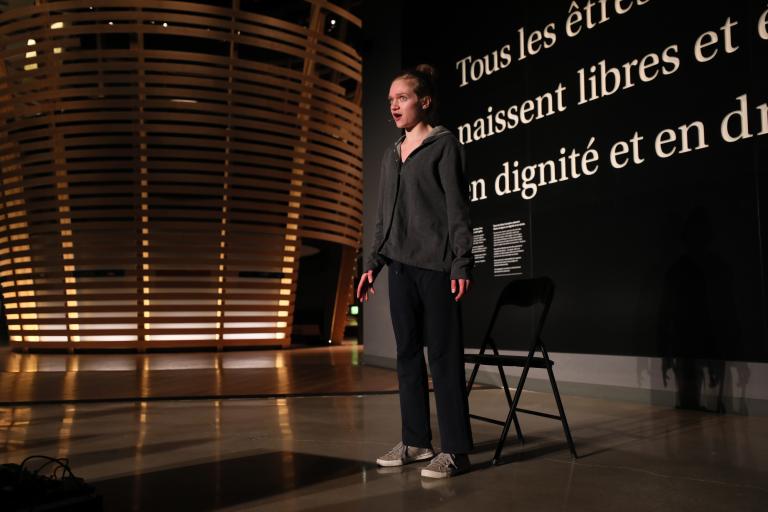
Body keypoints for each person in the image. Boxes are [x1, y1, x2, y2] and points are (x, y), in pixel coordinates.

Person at [356, 64, 474, 479]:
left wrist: (461, 261)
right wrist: (372, 263)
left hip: (437, 268)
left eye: (401, 98)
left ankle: (456, 450)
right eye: (390, 100)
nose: (394, 105)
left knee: (443, 357)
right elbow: (383, 216)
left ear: (424, 101)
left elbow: (457, 209)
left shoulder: (445, 145)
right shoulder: (391, 154)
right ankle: (417, 441)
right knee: (407, 356)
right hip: (400, 268)